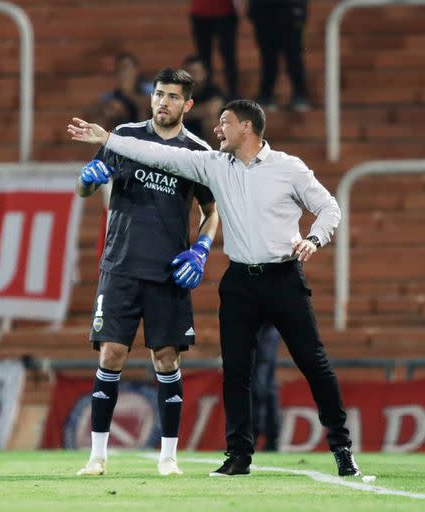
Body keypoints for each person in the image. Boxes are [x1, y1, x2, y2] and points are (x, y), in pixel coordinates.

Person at [67, 99, 363, 478]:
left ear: (246, 128)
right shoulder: (213, 166)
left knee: (314, 364)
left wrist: (315, 239)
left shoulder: (288, 168)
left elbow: (329, 207)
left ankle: (341, 448)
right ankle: (239, 456)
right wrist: (108, 138)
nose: (217, 131)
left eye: (224, 123)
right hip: (240, 281)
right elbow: (154, 152)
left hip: (284, 278)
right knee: (237, 373)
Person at [74, 68, 219, 477]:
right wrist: (87, 181)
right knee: (111, 353)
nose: (163, 102)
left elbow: (212, 212)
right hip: (119, 265)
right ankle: (97, 457)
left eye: (173, 97)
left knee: (167, 358)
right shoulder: (125, 136)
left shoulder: (197, 152)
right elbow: (87, 186)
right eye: (159, 94)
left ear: (187, 105)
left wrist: (202, 248)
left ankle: (168, 458)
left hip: (168, 272)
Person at [249, 0, 311, 111]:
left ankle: (300, 94)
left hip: (292, 7)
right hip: (262, 7)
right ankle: (266, 95)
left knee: (293, 53)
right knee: (268, 55)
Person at [84, 53, 154, 130]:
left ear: (136, 70)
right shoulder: (113, 95)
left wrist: (127, 93)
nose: (121, 73)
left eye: (125, 68)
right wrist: (106, 110)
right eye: (118, 69)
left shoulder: (148, 88)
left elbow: (153, 104)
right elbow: (90, 112)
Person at [189, 0, 241, 100]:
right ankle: (205, 91)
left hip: (225, 13)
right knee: (204, 57)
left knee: (228, 54)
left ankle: (233, 91)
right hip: (201, 13)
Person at [181, 55, 225, 146]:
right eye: (188, 73)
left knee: (211, 122)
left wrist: (185, 113)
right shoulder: (177, 91)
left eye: (196, 72)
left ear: (204, 73)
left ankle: (216, 157)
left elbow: (212, 110)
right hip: (183, 130)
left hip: (203, 131)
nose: (192, 76)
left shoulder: (212, 90)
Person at [252, 323, 281, 452]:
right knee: (265, 383)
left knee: (260, 383)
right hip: (264, 326)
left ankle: (256, 433)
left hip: (264, 327)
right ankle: (270, 436)